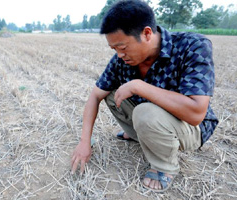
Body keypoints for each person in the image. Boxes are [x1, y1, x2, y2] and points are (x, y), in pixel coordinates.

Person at [71, 0, 218, 192]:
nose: (119, 55)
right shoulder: (121, 60)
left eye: (123, 47)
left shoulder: (192, 46)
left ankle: (164, 167)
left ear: (147, 33)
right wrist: (84, 143)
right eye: (114, 49)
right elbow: (95, 96)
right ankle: (139, 134)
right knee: (111, 95)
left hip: (191, 128)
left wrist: (140, 86)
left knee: (145, 112)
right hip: (152, 118)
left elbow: (196, 113)